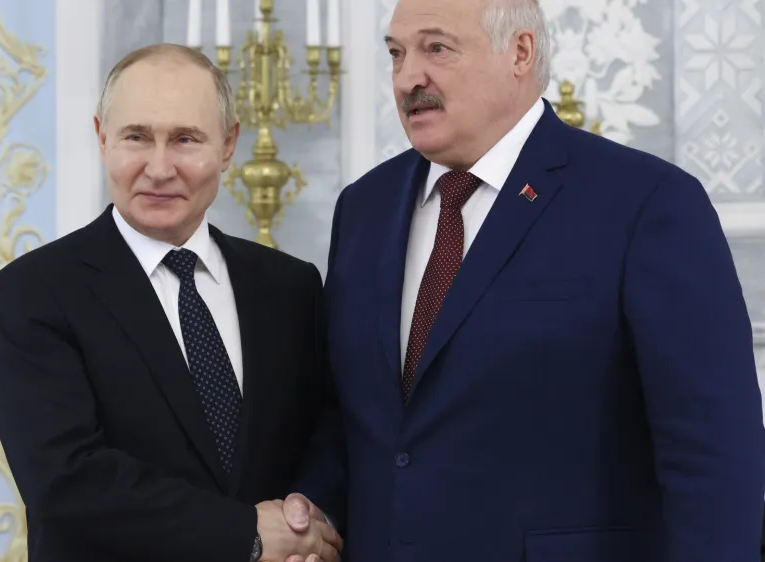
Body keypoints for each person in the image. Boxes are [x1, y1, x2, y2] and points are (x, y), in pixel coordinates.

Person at [285, 0, 765, 560]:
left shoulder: (646, 202)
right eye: (396, 53)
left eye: (436, 48)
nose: (408, 78)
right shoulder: (364, 207)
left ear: (519, 53)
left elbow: (714, 453)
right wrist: (310, 514)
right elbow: (350, 417)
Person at [0, 43, 342, 562]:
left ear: (228, 145)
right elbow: (66, 480)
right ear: (102, 138)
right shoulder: (35, 291)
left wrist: (305, 518)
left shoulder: (291, 287)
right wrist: (244, 533)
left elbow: (327, 435)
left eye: (184, 139)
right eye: (136, 137)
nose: (158, 168)